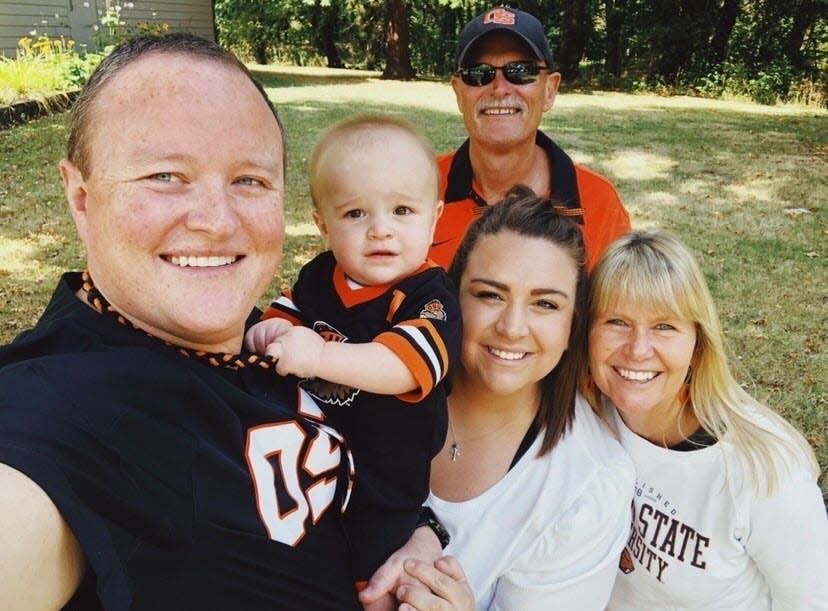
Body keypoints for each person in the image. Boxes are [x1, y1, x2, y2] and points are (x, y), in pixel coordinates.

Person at [0, 33, 440, 610]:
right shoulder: (66, 408)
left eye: (249, 180)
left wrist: (419, 538)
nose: (215, 220)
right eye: (166, 175)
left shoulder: (270, 334)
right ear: (82, 198)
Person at [363, 185, 635, 610]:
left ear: (572, 326)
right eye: (490, 295)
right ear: (452, 299)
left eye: (545, 304)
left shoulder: (585, 484)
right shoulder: (375, 375)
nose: (512, 327)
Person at [245, 115, 461, 592]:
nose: (380, 230)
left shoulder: (429, 296)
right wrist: (271, 331)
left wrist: (318, 357)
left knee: (375, 586)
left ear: (435, 215)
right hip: (309, 469)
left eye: (402, 211)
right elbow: (286, 314)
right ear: (323, 225)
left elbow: (403, 365)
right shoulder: (322, 277)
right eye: (355, 214)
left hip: (383, 490)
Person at [584, 229, 828, 609]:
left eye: (664, 326)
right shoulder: (586, 416)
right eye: (616, 321)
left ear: (698, 344)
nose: (637, 349)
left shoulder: (764, 470)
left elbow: (811, 601)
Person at [429, 5, 631, 272]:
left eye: (521, 71)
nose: (499, 88)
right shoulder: (417, 192)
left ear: (550, 90)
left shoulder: (599, 204)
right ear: (458, 92)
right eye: (478, 73)